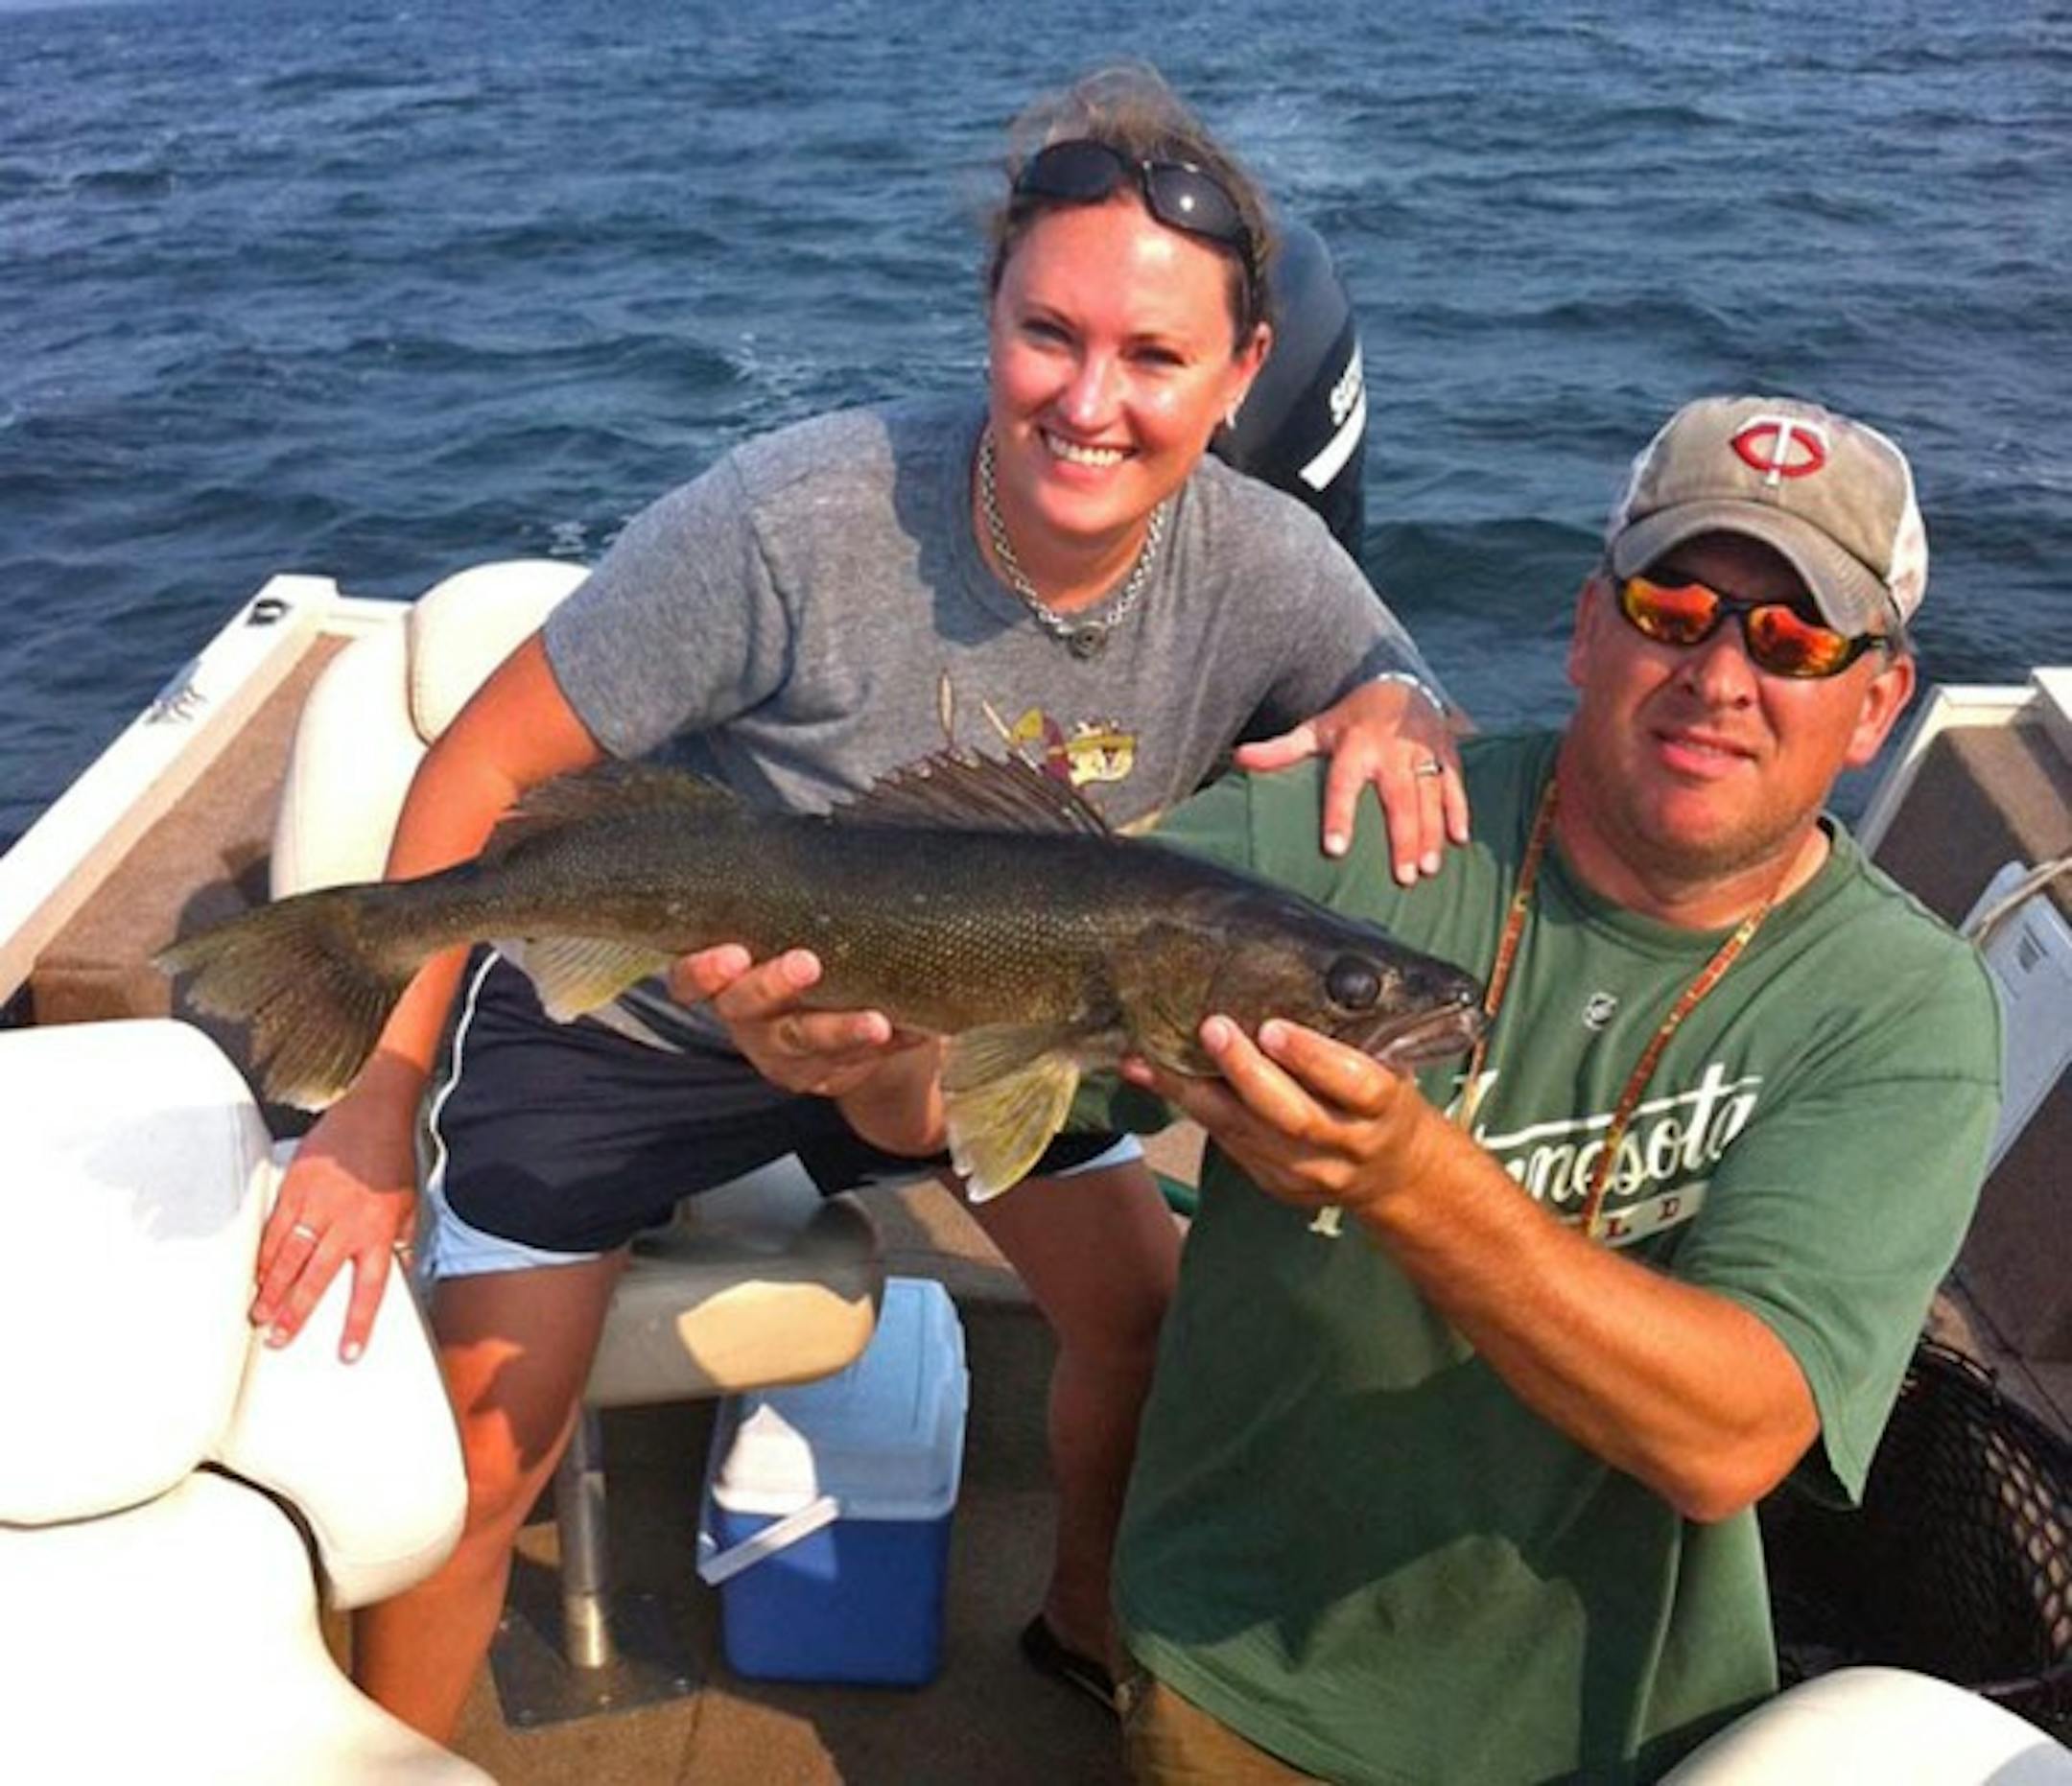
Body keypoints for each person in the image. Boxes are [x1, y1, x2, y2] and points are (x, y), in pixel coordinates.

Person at [248, 64, 1468, 1741]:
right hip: (648, 1023)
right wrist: (376, 1100)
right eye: (1049, 335)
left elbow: (1391, 682)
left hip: (973, 1027)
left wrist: (1404, 702)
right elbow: (482, 765)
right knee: (477, 1454)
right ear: (989, 315)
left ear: (1245, 370)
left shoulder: (1267, 563)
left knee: (1144, 1318)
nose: (1091, 400)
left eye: (1155, 356)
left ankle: (1087, 1633)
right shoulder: (789, 518)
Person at [691, 394, 2004, 1781]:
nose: (1721, 674)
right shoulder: (1341, 828)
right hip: (1240, 1677)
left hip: (1620, 1731)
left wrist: (1406, 1180)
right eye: (1673, 608)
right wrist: (856, 1063)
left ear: (1876, 704)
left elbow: (1729, 1440)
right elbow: (939, 1105)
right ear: (1587, 628)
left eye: (1794, 640)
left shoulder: (1899, 1006)